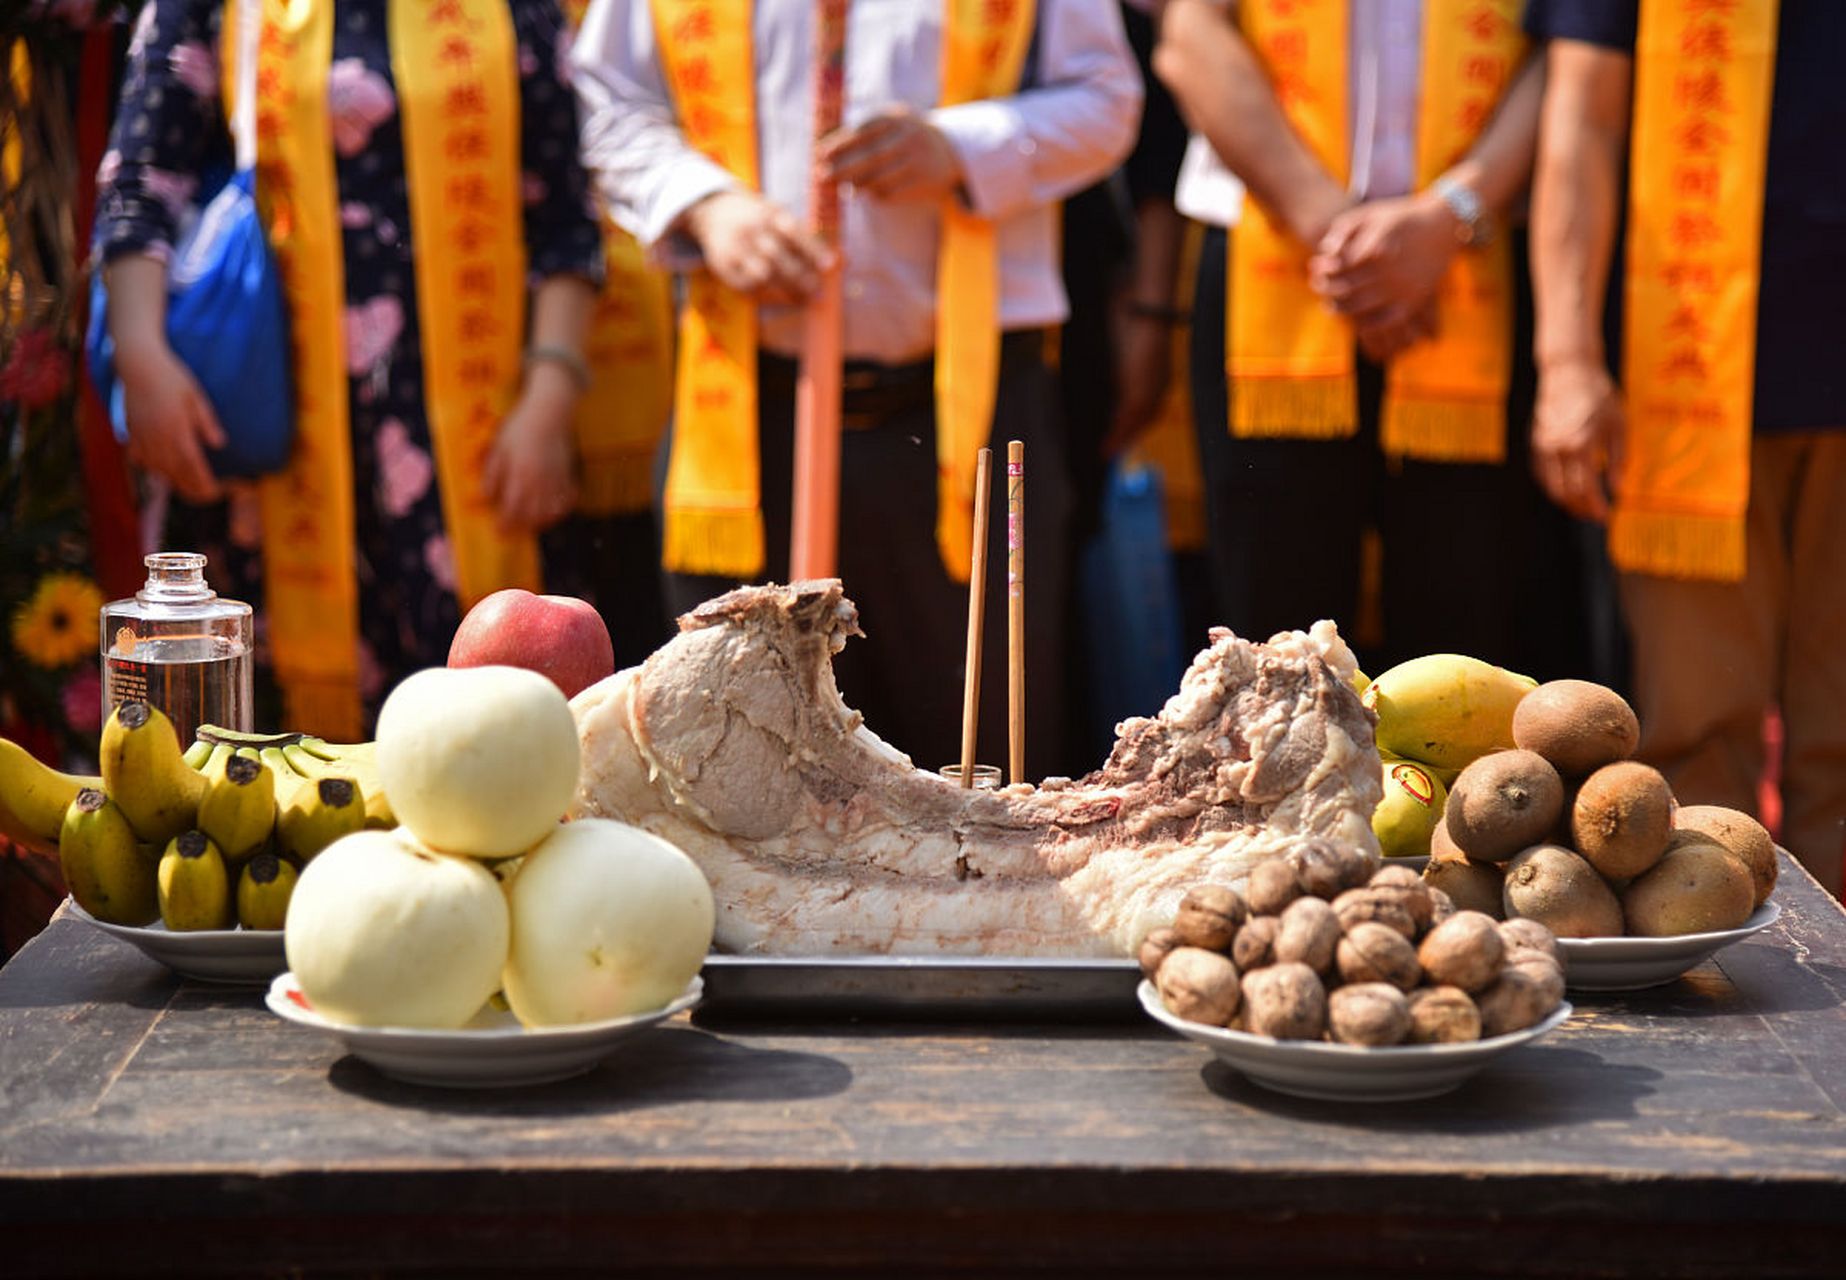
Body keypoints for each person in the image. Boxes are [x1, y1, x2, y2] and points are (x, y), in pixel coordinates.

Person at [572, 0, 1141, 780]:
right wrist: (706, 207)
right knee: (747, 765)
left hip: (964, 416)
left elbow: (1107, 96)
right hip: (746, 418)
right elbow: (605, 97)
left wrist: (960, 145)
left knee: (976, 760)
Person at [95, 0, 606, 739]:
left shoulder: (517, 9)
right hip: (275, 439)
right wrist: (140, 356)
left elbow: (565, 219)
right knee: (263, 768)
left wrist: (549, 403)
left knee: (492, 743)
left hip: (477, 450)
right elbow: (141, 183)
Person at [1153, 1, 1594, 679]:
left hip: (1478, 266)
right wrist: (1335, 231)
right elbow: (1192, 32)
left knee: (1471, 642)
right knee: (1277, 647)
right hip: (1275, 270)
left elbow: (1572, 41)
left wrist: (1450, 215)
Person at [1524, 0, 1846, 894]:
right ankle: (1727, 977)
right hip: (1689, 388)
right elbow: (1581, 122)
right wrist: (1568, 359)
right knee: (1697, 727)